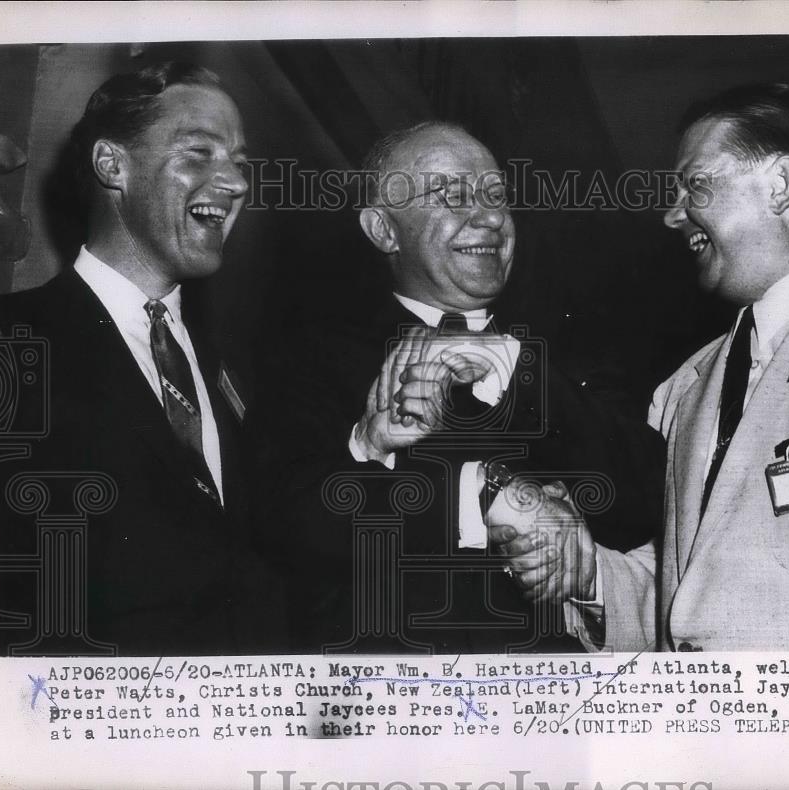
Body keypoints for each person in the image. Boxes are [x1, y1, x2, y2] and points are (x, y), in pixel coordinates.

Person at [489, 83, 789, 652]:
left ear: (779, 186)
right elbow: (688, 595)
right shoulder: (683, 388)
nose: (672, 214)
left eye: (696, 184)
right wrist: (587, 573)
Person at [248, 121, 663, 654]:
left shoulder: (568, 351)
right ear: (383, 229)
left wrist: (512, 368)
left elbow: (658, 498)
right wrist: (480, 497)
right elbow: (287, 522)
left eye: (496, 196)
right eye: (452, 195)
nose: (489, 218)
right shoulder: (310, 358)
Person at [0, 62, 281, 656]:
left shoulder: (239, 362)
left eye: (241, 162)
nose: (234, 183)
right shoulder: (5, 343)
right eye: (199, 152)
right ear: (112, 165)